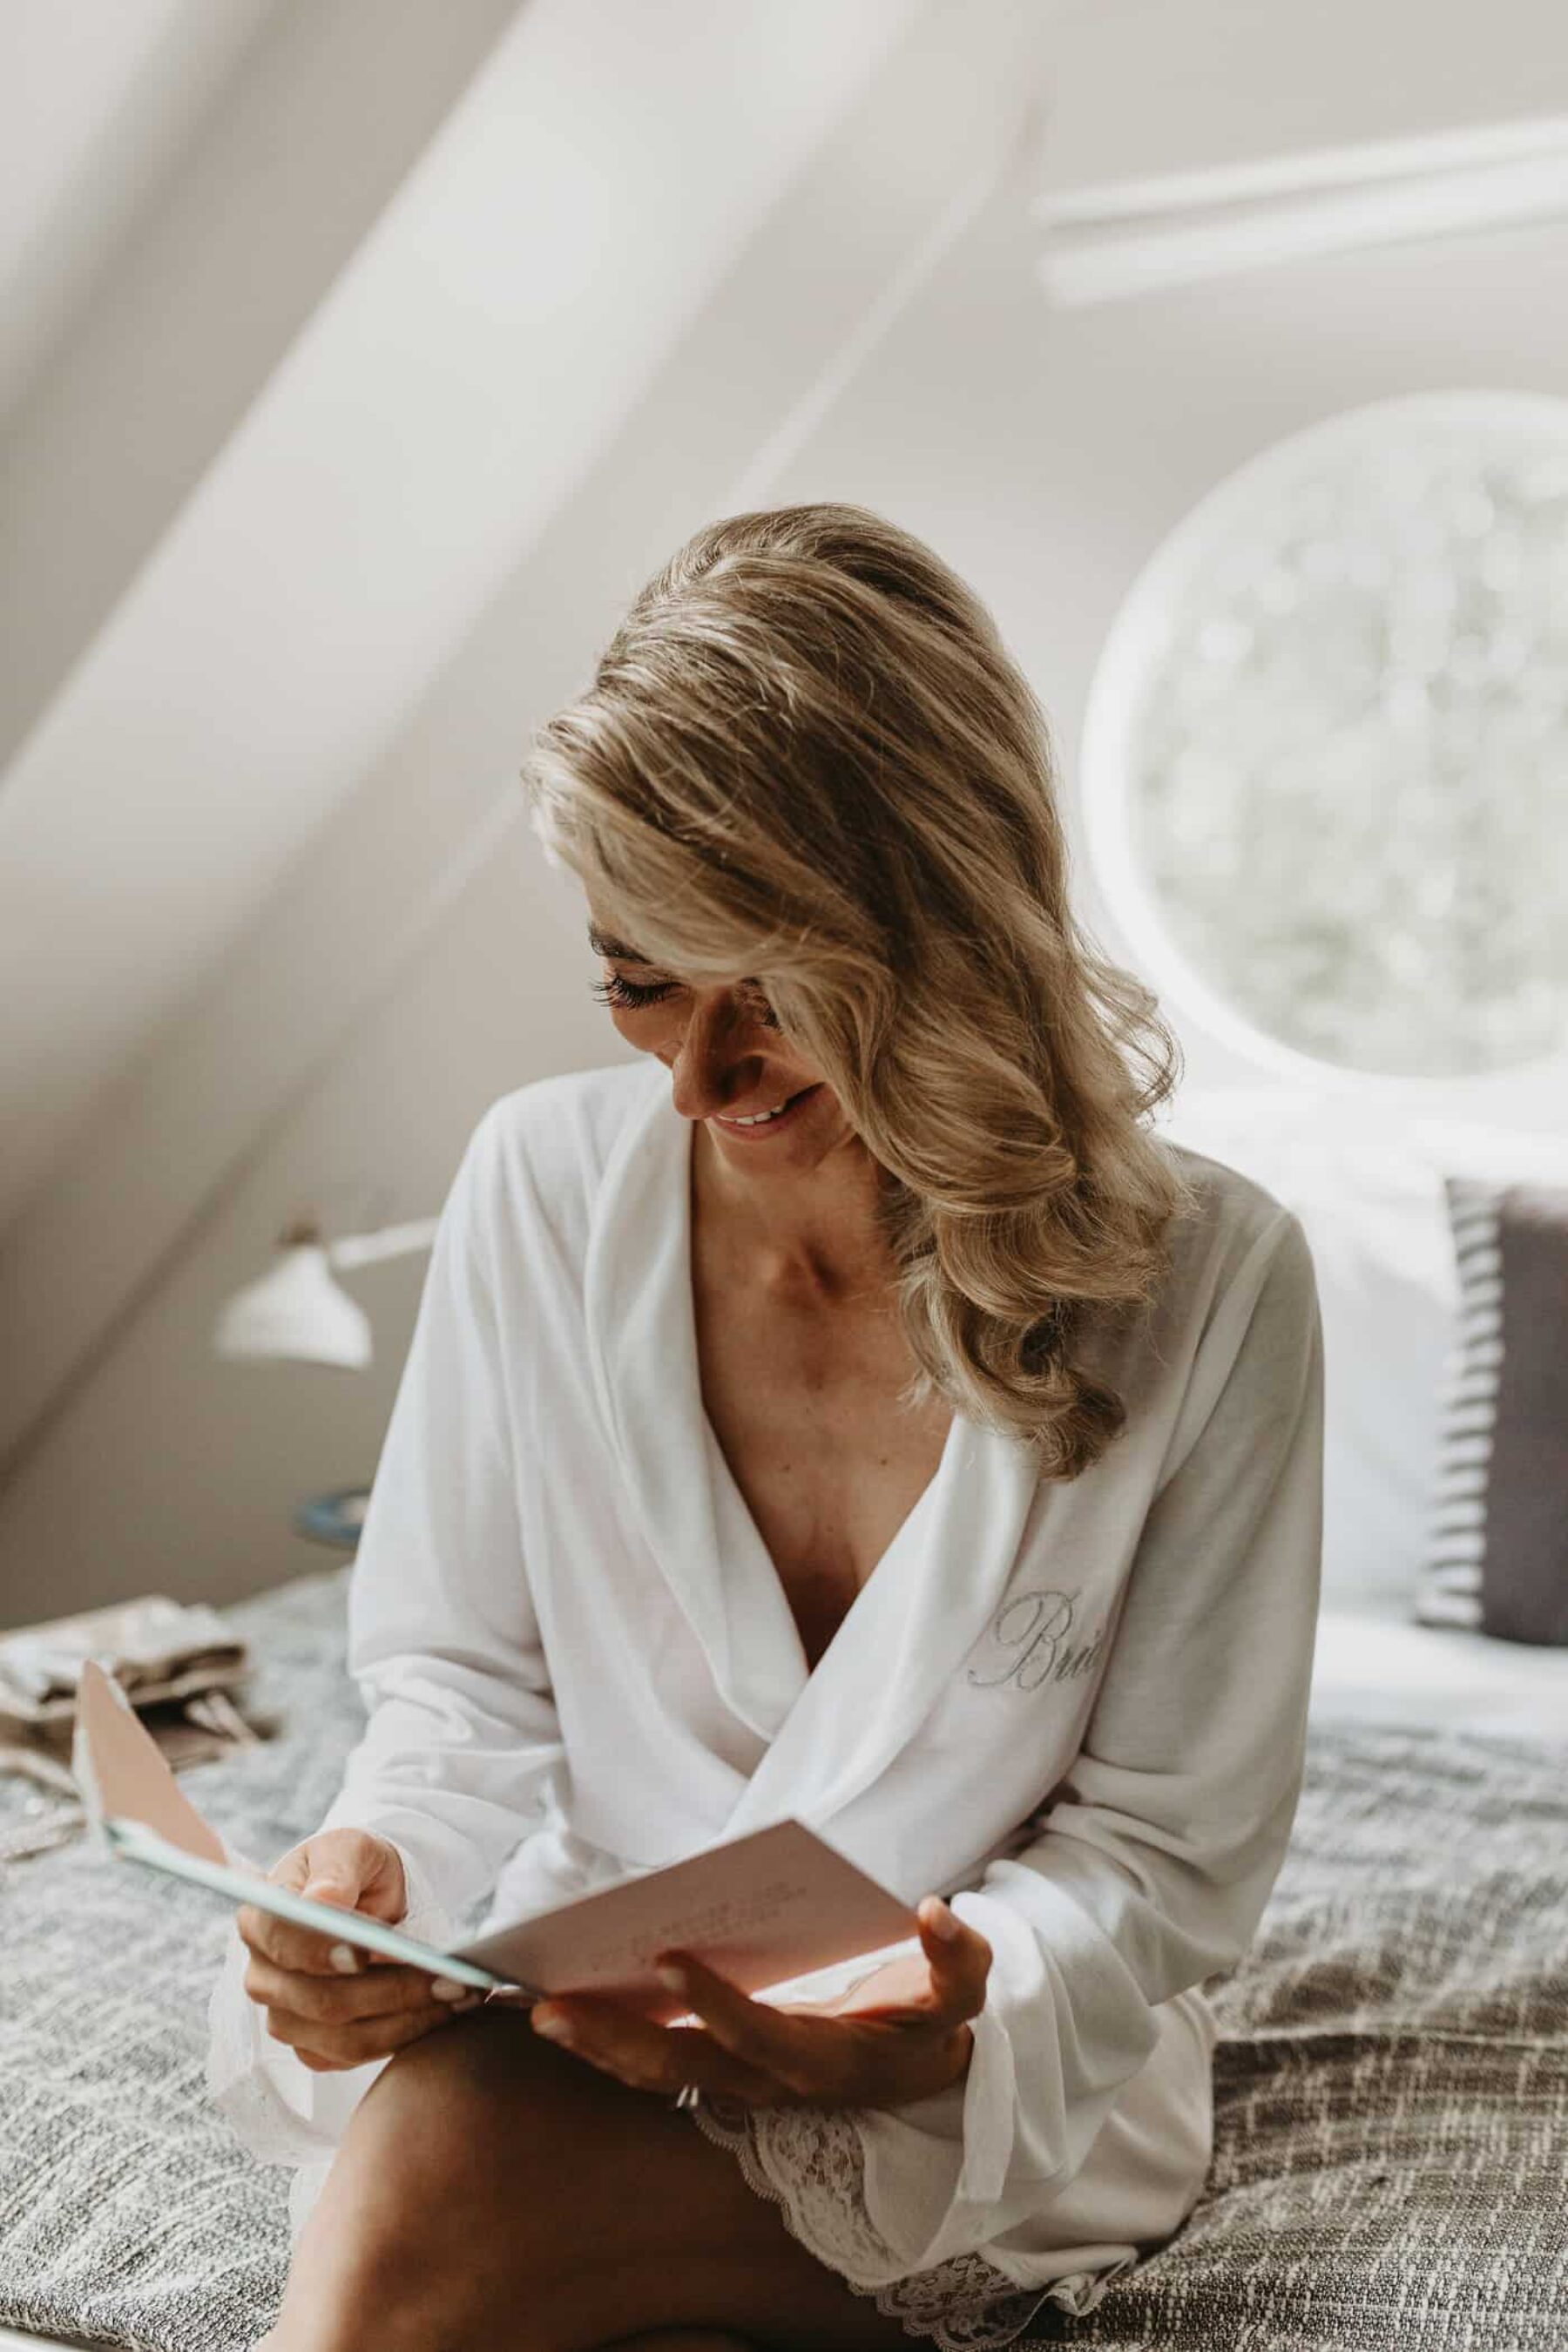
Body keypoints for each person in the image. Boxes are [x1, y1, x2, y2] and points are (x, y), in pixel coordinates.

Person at [206, 503, 1324, 2352]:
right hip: (591, 2000)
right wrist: (379, 1866)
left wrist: (951, 2007)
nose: (702, 1080)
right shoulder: (539, 1192)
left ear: (944, 921)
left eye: (776, 994)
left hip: (995, 2094)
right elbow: (466, 1689)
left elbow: (1158, 1863)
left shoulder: (1208, 1281)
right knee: (470, 2113)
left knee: (456, 2161)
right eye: (638, 981)